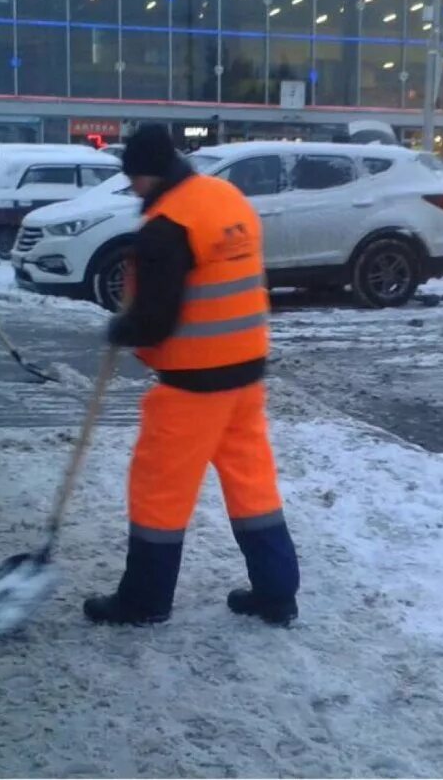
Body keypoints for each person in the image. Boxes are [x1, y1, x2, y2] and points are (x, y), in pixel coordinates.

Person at [84, 124, 300, 628]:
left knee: (160, 489)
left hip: (194, 384)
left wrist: (123, 328)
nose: (132, 188)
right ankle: (276, 594)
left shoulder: (166, 228)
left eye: (132, 178)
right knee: (253, 485)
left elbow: (156, 318)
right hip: (245, 374)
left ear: (148, 173)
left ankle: (144, 601)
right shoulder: (224, 196)